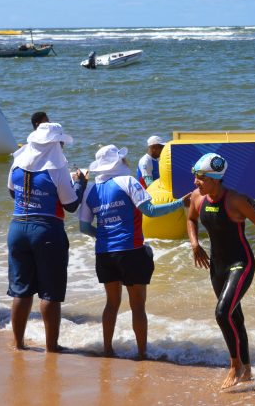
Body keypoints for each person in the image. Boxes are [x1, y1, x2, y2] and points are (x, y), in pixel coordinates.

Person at [186, 153, 255, 389]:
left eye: (200, 177)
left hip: (241, 264)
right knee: (235, 317)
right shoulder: (197, 198)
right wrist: (194, 244)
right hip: (217, 266)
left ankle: (235, 366)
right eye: (195, 176)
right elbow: (191, 219)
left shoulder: (236, 200)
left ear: (214, 179)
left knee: (222, 313)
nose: (195, 182)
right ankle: (248, 370)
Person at [79, 145, 189, 359]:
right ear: (119, 162)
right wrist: (180, 203)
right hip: (131, 251)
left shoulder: (91, 189)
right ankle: (141, 353)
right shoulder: (128, 181)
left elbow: (84, 227)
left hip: (104, 254)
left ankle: (108, 350)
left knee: (111, 304)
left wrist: (103, 235)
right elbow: (150, 211)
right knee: (138, 306)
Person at [7, 123, 87, 352]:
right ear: (53, 144)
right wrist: (81, 183)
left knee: (21, 291)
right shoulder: (57, 169)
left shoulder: (18, 162)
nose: (62, 146)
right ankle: (52, 346)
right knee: (50, 292)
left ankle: (18, 343)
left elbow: (12, 192)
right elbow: (71, 205)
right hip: (46, 230)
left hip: (17, 228)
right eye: (60, 142)